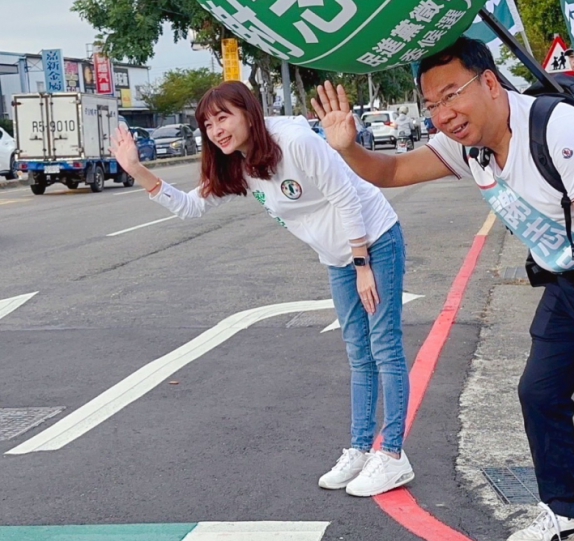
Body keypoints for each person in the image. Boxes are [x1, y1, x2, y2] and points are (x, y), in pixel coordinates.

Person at [313, 36, 574, 541]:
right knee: (538, 392)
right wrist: (347, 146)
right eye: (431, 104)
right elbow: (390, 174)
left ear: (489, 83)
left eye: (451, 95)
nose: (443, 115)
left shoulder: (557, 126)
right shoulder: (468, 144)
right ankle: (566, 513)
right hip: (570, 276)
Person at [110, 81, 414, 497]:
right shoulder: (238, 162)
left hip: (373, 239)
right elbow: (191, 207)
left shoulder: (295, 141)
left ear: (248, 112)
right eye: (208, 124)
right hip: (336, 255)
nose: (216, 130)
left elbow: (346, 195)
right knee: (358, 353)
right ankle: (361, 448)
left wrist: (362, 263)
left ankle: (393, 455)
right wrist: (137, 170)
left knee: (384, 346)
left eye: (223, 117)